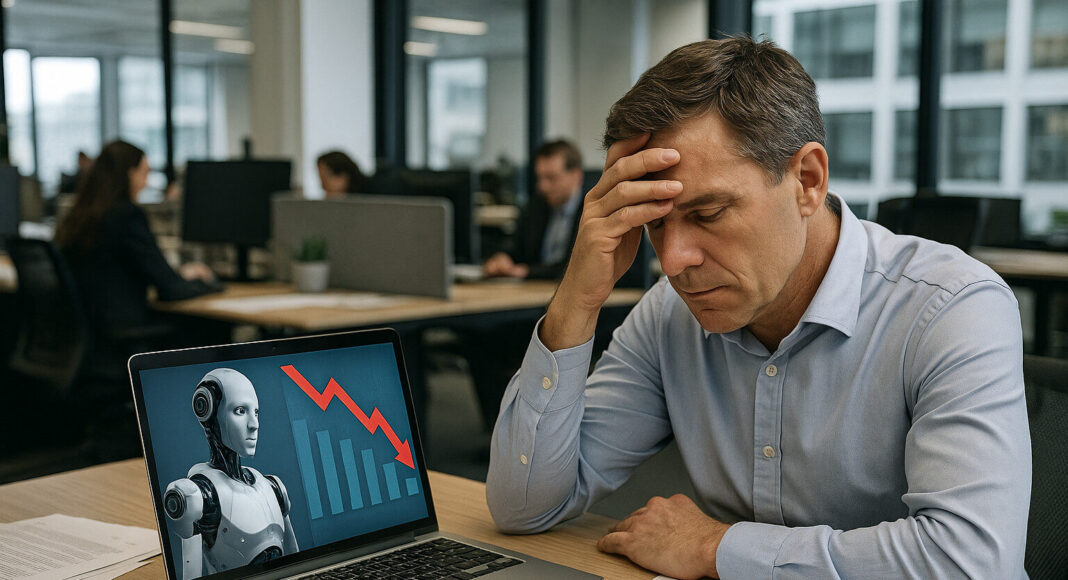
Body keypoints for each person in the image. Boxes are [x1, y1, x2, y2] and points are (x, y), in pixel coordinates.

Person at [486, 37, 1030, 579]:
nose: (672, 261)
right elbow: (525, 507)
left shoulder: (950, 308)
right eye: (654, 222)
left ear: (807, 181)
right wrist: (577, 300)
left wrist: (717, 548)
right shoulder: (668, 317)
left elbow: (970, 564)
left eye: (709, 213)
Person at [165, 368, 299, 578]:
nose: (254, 424)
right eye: (240, 411)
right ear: (208, 411)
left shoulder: (272, 487)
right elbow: (191, 573)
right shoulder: (200, 496)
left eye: (256, 412)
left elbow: (296, 559)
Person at [482, 139, 585, 280]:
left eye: (551, 178)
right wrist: (503, 258)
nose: (543, 186)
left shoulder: (594, 211)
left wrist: (527, 272)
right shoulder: (537, 205)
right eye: (540, 178)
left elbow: (578, 266)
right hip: (533, 290)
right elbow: (517, 248)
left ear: (575, 175)